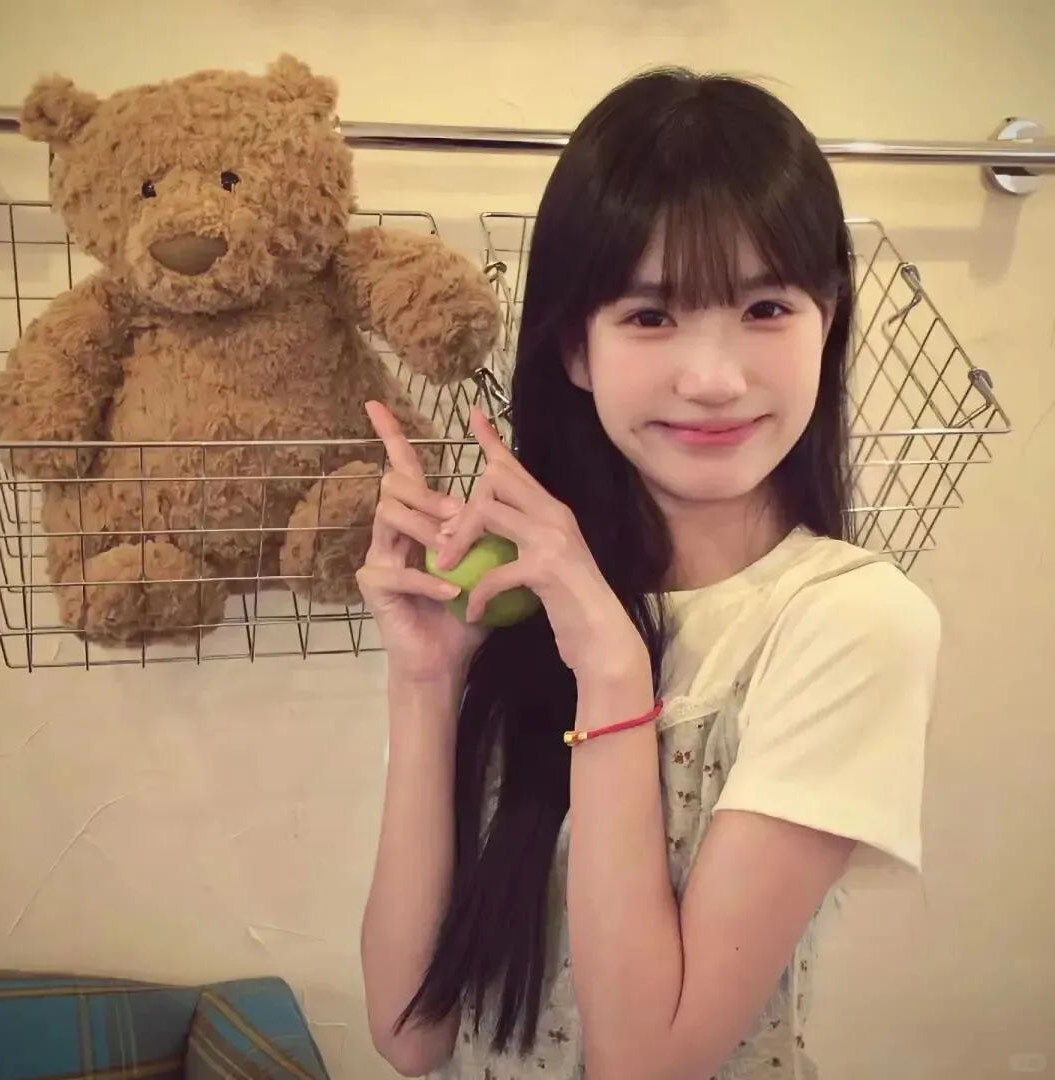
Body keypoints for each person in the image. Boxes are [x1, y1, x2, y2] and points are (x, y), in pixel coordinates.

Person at [356, 66, 942, 1080]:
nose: (712, 378)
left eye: (766, 307)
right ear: (576, 351)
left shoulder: (851, 622)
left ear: (829, 322)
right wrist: (425, 679)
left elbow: (645, 1064)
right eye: (651, 316)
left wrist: (614, 671)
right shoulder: (533, 600)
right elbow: (410, 1038)